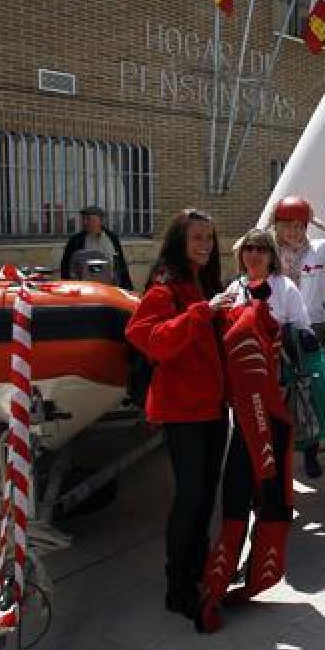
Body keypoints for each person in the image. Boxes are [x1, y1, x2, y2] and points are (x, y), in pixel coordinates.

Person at [124, 209, 233, 623]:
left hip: (211, 406)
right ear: (179, 242)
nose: (205, 245)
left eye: (210, 237)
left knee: (206, 494)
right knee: (190, 497)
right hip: (184, 410)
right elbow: (147, 338)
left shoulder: (204, 281)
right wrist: (200, 313)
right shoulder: (165, 288)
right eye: (197, 238)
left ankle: (196, 570)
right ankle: (177, 586)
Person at [197, 228, 301, 633]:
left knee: (272, 490)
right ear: (241, 255)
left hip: (273, 408)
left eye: (262, 249)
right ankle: (220, 581)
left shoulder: (286, 289)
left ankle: (262, 573)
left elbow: (303, 340)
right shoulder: (231, 291)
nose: (255, 255)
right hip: (238, 412)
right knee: (237, 490)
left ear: (272, 255)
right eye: (249, 249)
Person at [271, 195, 325, 478]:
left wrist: (315, 219)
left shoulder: (315, 250)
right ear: (277, 227)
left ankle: (311, 455)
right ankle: (280, 454)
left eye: (299, 226)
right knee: (281, 392)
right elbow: (239, 248)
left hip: (310, 331)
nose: (294, 232)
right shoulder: (268, 252)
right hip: (277, 330)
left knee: (311, 394)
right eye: (287, 226)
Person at [59, 205, 134, 289]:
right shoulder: (76, 241)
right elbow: (66, 266)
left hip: (110, 286)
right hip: (85, 287)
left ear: (100, 221)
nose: (85, 222)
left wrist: (127, 288)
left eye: (89, 219)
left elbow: (120, 264)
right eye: (83, 219)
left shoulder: (112, 238)